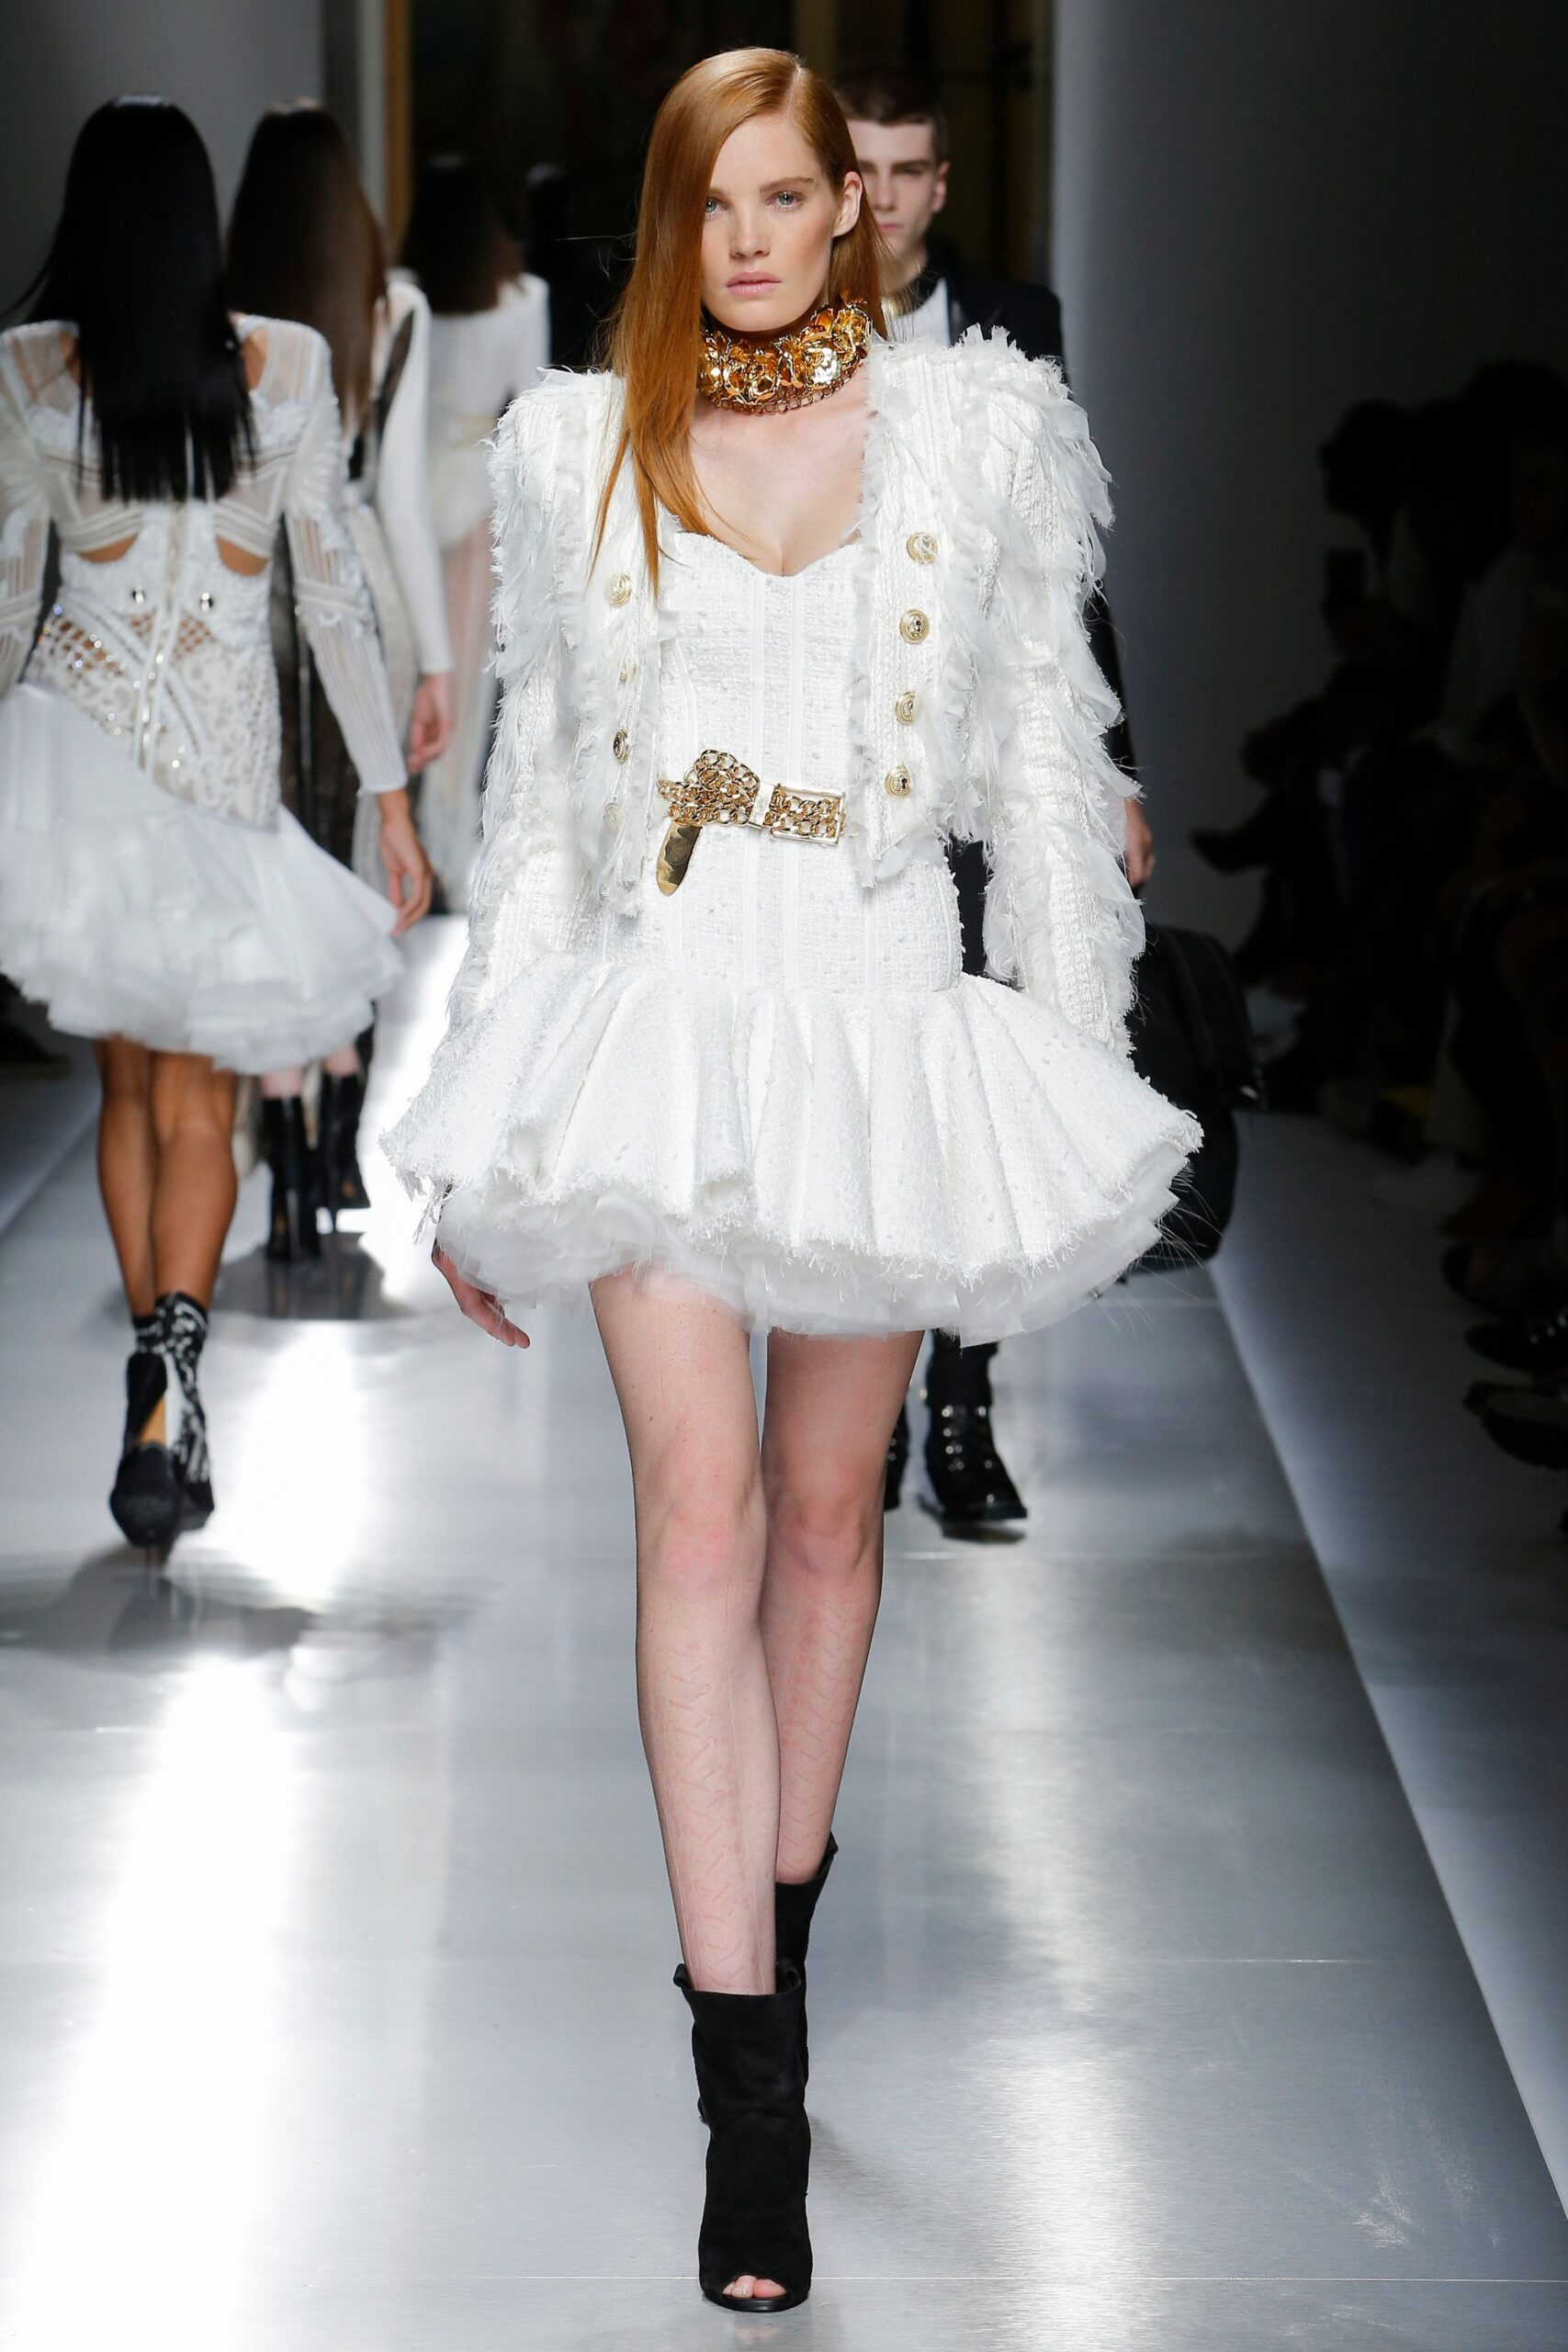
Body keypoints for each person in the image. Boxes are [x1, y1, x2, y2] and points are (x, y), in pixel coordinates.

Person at [386, 47, 1196, 2314]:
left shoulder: (973, 434)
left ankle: (781, 1932)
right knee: (699, 1512)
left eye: (780, 195)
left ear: (849, 207)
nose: (743, 238)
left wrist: (1067, 1073)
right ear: (667, 222)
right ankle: (743, 2094)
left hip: (873, 1007)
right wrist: (479, 1136)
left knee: (832, 1521)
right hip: (657, 1017)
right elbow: (543, 809)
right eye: (706, 201)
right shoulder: (576, 446)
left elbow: (1041, 768)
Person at [0, 98, 424, 1548]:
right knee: (202, 1108)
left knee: (128, 1097)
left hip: (78, 771)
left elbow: (10, 593)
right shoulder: (287, 366)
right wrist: (387, 798)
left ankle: (155, 1378)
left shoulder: (28, 372)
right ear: (200, 219)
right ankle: (174, 1376)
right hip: (223, 778)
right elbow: (330, 596)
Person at [836, 63, 1155, 1531]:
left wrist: (1108, 771)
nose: (886, 199)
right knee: (859, 1086)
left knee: (971, 1075)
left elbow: (1061, 567)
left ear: (939, 183)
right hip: (840, 770)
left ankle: (957, 1407)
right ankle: (861, 1407)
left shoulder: (1015, 320)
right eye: (862, 170)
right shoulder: (774, 319)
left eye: (909, 170)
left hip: (974, 767)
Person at [227, 103, 447, 1253]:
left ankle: (284, 1143)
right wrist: (441, 662)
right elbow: (401, 502)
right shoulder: (393, 308)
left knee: (266, 856)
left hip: (245, 585)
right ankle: (343, 1130)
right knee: (363, 855)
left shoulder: (221, 306)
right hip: (356, 576)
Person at [399, 158, 550, 905]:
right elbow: (528, 408)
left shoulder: (401, 293)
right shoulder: (521, 299)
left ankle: (398, 849)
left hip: (400, 492)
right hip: (475, 493)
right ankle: (447, 854)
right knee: (460, 687)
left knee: (403, 679)